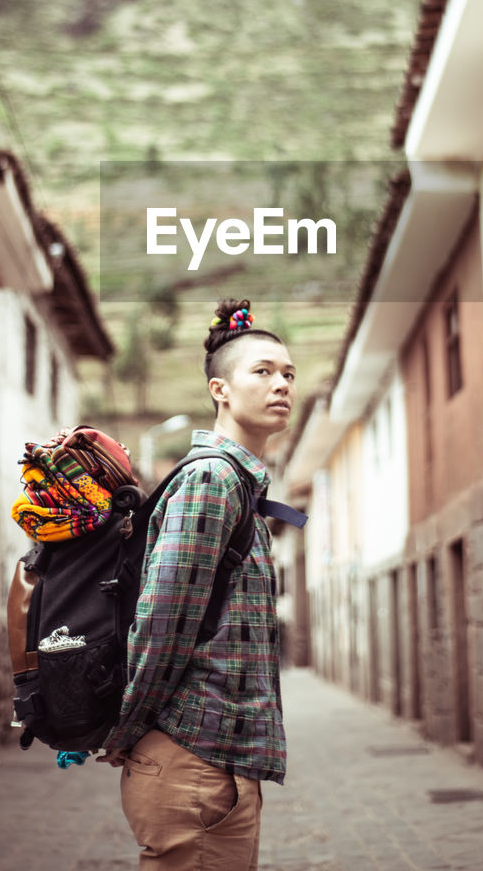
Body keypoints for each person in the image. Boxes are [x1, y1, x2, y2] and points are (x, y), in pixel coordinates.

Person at [99, 298, 297, 870]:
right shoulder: (213, 479)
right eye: (261, 371)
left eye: (287, 373)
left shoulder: (242, 487)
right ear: (221, 390)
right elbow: (162, 623)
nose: (281, 383)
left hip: (214, 764)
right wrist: (127, 729)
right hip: (193, 761)